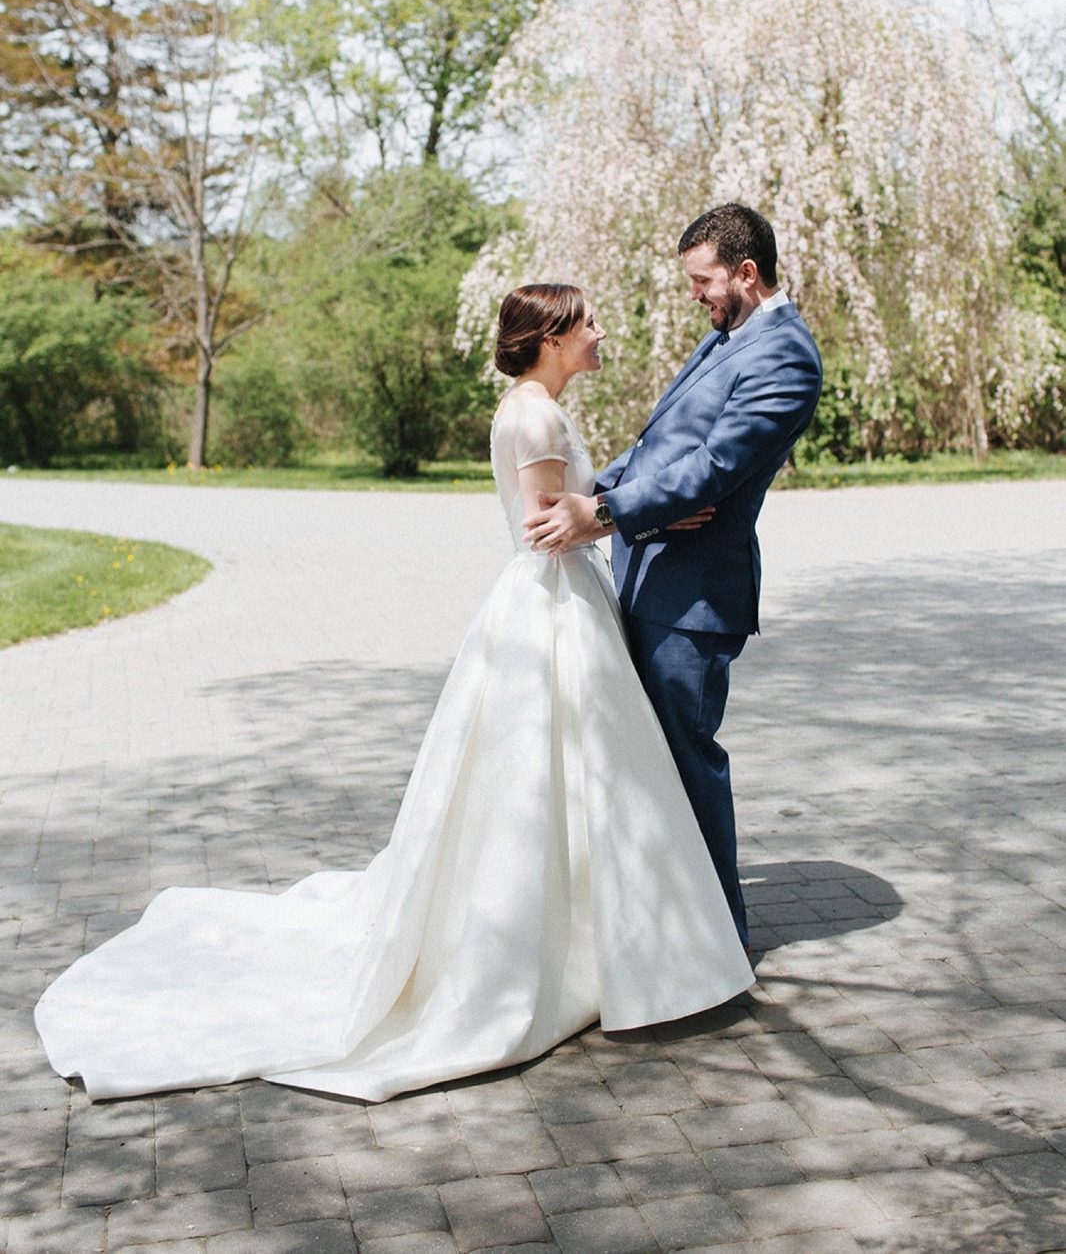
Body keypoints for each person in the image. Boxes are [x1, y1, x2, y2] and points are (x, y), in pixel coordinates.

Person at [35, 283, 753, 1105]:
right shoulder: (536, 416)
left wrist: (632, 505)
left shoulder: (529, 407)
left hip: (552, 596)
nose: (599, 332)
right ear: (550, 337)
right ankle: (580, 943)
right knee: (567, 770)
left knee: (571, 776)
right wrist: (644, 516)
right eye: (586, 323)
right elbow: (547, 525)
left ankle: (589, 931)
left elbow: (573, 509)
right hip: (555, 601)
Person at [525, 207, 823, 949]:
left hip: (694, 598)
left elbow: (715, 467)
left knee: (687, 762)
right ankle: (654, 925)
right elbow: (660, 447)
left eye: (704, 280)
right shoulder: (728, 335)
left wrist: (604, 510)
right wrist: (602, 495)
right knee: (647, 760)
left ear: (746, 273)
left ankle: (716, 942)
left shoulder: (786, 356)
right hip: (649, 573)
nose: (695, 295)